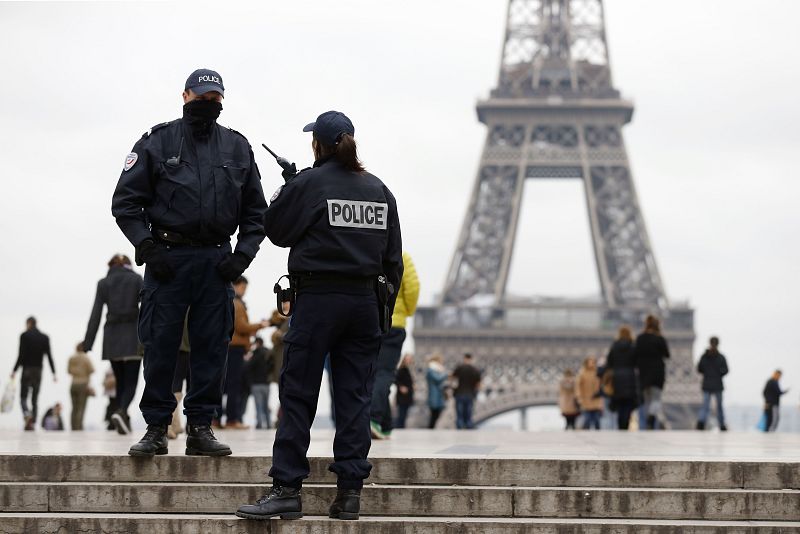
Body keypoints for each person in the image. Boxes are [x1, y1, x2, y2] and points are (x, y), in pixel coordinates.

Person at [236, 110, 402, 522]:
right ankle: (349, 493)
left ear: (318, 144)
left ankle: (287, 488)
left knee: (298, 394)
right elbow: (393, 260)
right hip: (364, 303)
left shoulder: (311, 184)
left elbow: (276, 230)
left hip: (318, 299)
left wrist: (289, 187)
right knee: (355, 398)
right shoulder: (380, 190)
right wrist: (378, 309)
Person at [111, 68, 268, 457]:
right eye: (201, 97)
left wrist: (241, 257)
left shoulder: (237, 147)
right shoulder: (156, 142)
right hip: (167, 259)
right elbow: (126, 203)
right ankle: (156, 427)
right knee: (159, 345)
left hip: (217, 261)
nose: (208, 103)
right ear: (185, 96)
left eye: (215, 98)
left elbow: (256, 213)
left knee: (212, 348)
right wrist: (147, 248)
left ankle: (200, 427)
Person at [82, 254, 143, 436]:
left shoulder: (103, 283)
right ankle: (122, 411)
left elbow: (96, 312)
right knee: (131, 381)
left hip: (112, 337)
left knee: (120, 381)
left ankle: (123, 415)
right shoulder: (137, 279)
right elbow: (148, 305)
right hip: (133, 335)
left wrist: (88, 342)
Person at [370, 251, 419, 439]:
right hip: (393, 322)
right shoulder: (401, 255)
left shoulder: (367, 252)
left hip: (368, 320)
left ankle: (384, 424)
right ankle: (373, 418)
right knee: (384, 373)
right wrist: (406, 310)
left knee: (373, 372)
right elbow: (412, 288)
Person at [225, 276, 268, 429]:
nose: (244, 291)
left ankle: (222, 418)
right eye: (243, 287)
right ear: (235, 286)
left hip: (233, 347)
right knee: (233, 384)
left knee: (228, 384)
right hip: (235, 348)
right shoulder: (236, 303)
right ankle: (232, 419)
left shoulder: (235, 302)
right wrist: (260, 325)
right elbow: (241, 326)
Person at [11, 317, 55, 431]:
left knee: (23, 397)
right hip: (38, 370)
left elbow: (21, 355)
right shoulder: (44, 337)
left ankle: (27, 414)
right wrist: (54, 372)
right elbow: (49, 356)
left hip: (27, 369)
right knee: (34, 398)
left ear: (29, 323)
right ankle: (33, 421)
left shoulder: (24, 336)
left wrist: (14, 370)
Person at [634, 314, 670, 430]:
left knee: (646, 399)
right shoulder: (659, 339)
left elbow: (635, 355)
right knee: (656, 399)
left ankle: (646, 423)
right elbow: (667, 354)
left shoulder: (640, 338)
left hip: (644, 372)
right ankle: (651, 417)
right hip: (657, 372)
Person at [606, 325, 638, 430]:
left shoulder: (614, 347)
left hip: (617, 378)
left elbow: (609, 363)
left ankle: (620, 425)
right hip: (630, 377)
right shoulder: (633, 346)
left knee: (619, 403)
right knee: (628, 403)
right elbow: (636, 362)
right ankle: (626, 424)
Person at [696, 336, 729, 431]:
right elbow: (726, 370)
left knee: (705, 406)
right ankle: (721, 424)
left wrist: (707, 373)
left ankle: (701, 423)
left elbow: (699, 368)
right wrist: (719, 373)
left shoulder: (704, 356)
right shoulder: (721, 357)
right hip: (717, 383)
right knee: (719, 406)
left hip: (707, 383)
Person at [169, 314, 191, 440]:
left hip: (179, 345)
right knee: (178, 387)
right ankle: (171, 423)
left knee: (176, 386)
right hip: (185, 346)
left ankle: (175, 424)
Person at [67, 342, 95, 431]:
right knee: (81, 407)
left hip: (73, 384)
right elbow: (92, 370)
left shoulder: (72, 358)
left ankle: (73, 426)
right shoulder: (85, 358)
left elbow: (69, 371)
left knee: (74, 407)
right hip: (83, 384)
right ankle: (78, 427)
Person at [249, 337, 274, 429]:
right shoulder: (268, 353)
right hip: (266, 383)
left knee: (258, 405)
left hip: (256, 383)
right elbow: (272, 366)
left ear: (257, 343)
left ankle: (259, 424)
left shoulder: (256, 353)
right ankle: (268, 424)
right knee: (266, 405)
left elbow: (250, 366)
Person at [451, 353, 482, 430]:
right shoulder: (475, 369)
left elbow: (452, 378)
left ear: (464, 358)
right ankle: (468, 424)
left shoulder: (459, 368)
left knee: (459, 411)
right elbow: (478, 383)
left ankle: (460, 425)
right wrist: (476, 391)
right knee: (468, 411)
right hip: (470, 393)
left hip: (460, 392)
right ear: (471, 359)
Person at [575, 356, 603, 430]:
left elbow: (602, 384)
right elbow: (578, 387)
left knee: (597, 420)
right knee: (587, 420)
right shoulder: (582, 374)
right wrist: (579, 397)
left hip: (596, 399)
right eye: (590, 362)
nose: (591, 364)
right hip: (586, 399)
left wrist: (601, 393)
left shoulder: (598, 373)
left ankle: (598, 434)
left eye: (593, 362)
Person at [426, 353, 448, 429]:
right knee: (434, 415)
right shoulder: (431, 370)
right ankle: (430, 429)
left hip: (437, 395)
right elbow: (438, 379)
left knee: (436, 414)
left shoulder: (434, 370)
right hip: (434, 395)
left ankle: (431, 428)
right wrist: (445, 374)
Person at [394, 354, 415, 429]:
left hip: (407, 396)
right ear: (404, 360)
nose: (409, 361)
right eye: (407, 359)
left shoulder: (408, 369)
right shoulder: (402, 369)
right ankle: (399, 429)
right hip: (402, 397)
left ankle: (401, 429)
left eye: (410, 359)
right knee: (401, 415)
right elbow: (395, 379)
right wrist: (401, 387)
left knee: (404, 415)